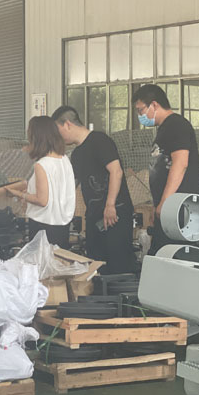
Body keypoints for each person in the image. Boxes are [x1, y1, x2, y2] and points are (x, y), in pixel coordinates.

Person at [51, 106, 137, 274]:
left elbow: (116, 171)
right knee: (96, 265)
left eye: (58, 131)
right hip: (94, 216)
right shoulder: (77, 154)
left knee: (118, 263)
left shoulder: (99, 140)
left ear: (67, 124)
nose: (58, 137)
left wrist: (110, 205)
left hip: (115, 213)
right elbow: (71, 184)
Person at [131, 84, 199, 255]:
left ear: (154, 105)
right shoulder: (164, 128)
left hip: (178, 209)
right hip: (167, 208)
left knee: (170, 256)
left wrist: (165, 202)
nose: (140, 116)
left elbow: (180, 163)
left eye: (141, 110)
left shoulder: (176, 125)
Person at [6, 116, 76, 249]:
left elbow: (42, 200)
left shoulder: (42, 164)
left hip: (44, 225)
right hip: (63, 224)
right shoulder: (64, 159)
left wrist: (18, 193)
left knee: (40, 260)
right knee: (59, 259)